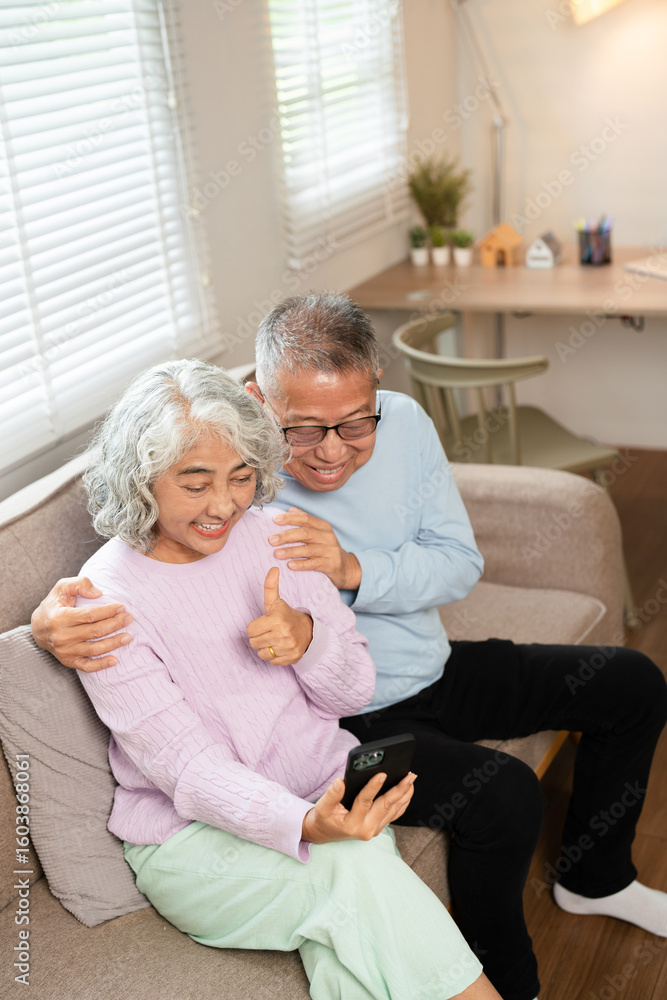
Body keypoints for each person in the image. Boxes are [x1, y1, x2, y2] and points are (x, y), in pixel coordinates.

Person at [32, 295, 667, 1000]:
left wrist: (333, 596)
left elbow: (439, 582)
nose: (331, 450)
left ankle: (595, 879)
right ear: (262, 407)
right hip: (329, 748)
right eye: (304, 429)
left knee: (629, 682)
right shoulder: (173, 549)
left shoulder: (304, 501)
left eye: (354, 423)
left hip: (401, 684)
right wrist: (42, 626)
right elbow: (187, 753)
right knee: (482, 807)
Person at [65, 357, 501, 1000]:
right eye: (195, 483)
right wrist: (304, 825)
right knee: (352, 875)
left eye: (242, 477)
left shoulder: (275, 537)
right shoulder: (103, 603)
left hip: (326, 800)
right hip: (193, 844)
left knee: (356, 942)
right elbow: (188, 771)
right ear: (140, 481)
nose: (224, 505)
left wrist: (308, 642)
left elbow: (354, 690)